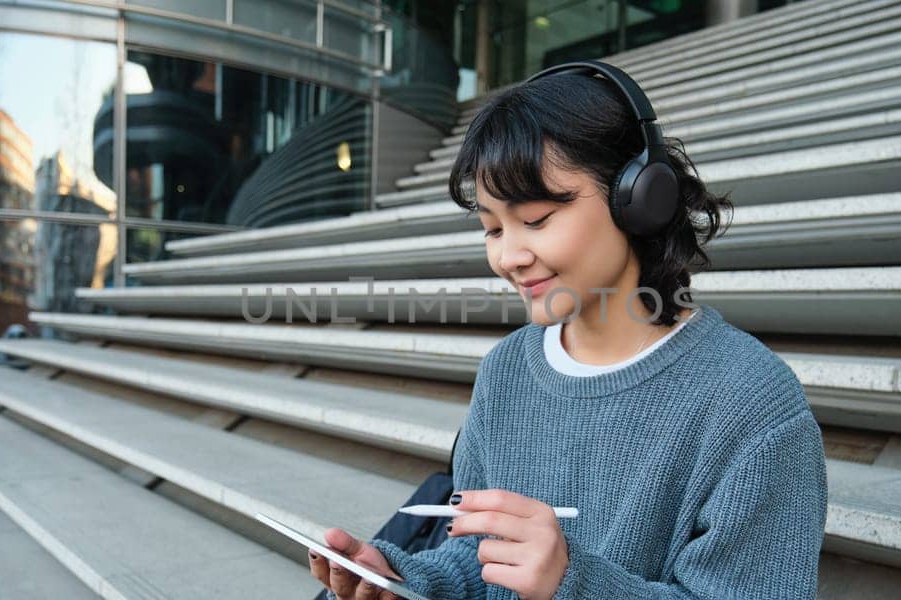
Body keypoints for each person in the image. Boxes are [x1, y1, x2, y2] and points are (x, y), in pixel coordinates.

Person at [308, 61, 827, 600]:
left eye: (535, 219)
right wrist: (406, 584)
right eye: (491, 228)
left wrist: (570, 581)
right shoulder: (507, 370)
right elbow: (478, 553)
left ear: (640, 200)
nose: (509, 256)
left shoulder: (751, 404)